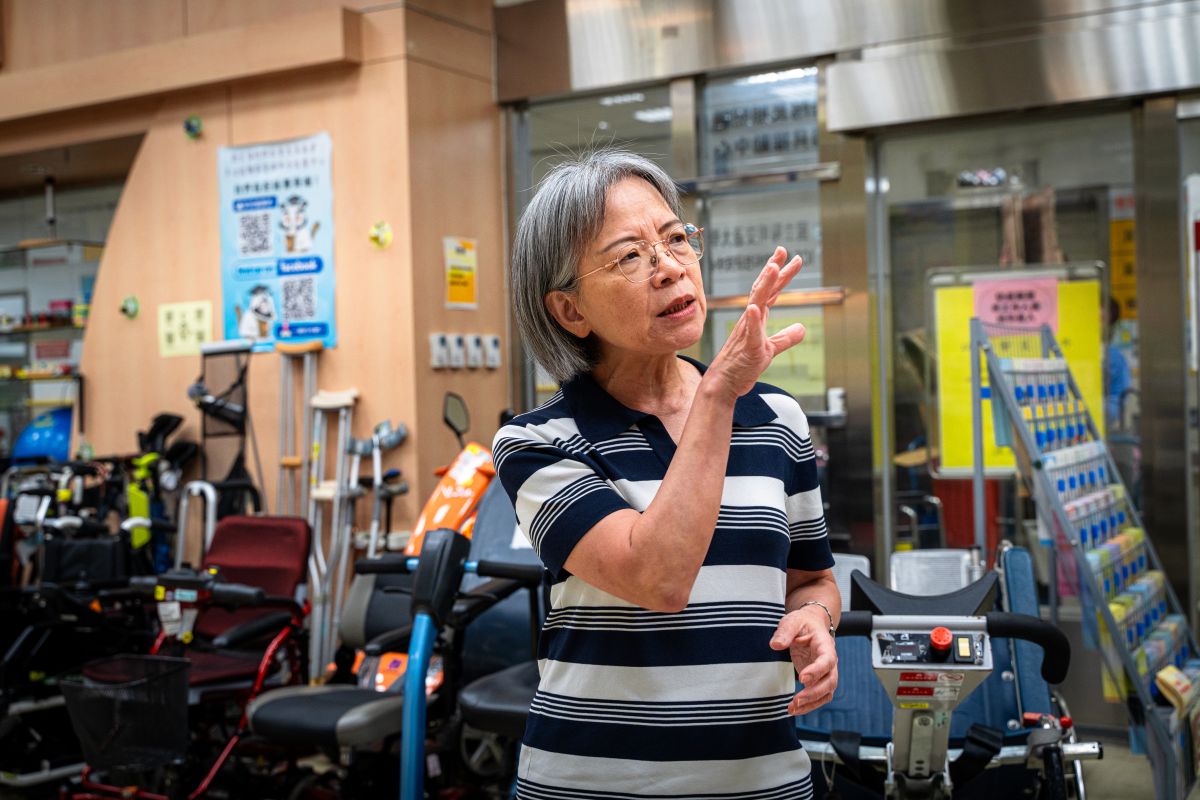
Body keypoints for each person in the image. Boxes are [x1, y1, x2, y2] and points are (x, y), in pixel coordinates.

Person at [494, 148, 840, 798]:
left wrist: (816, 618)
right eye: (629, 255)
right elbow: (658, 578)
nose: (671, 267)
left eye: (677, 239)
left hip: (761, 780)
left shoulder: (776, 420)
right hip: (592, 783)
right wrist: (717, 397)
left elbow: (813, 577)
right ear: (571, 311)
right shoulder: (538, 441)